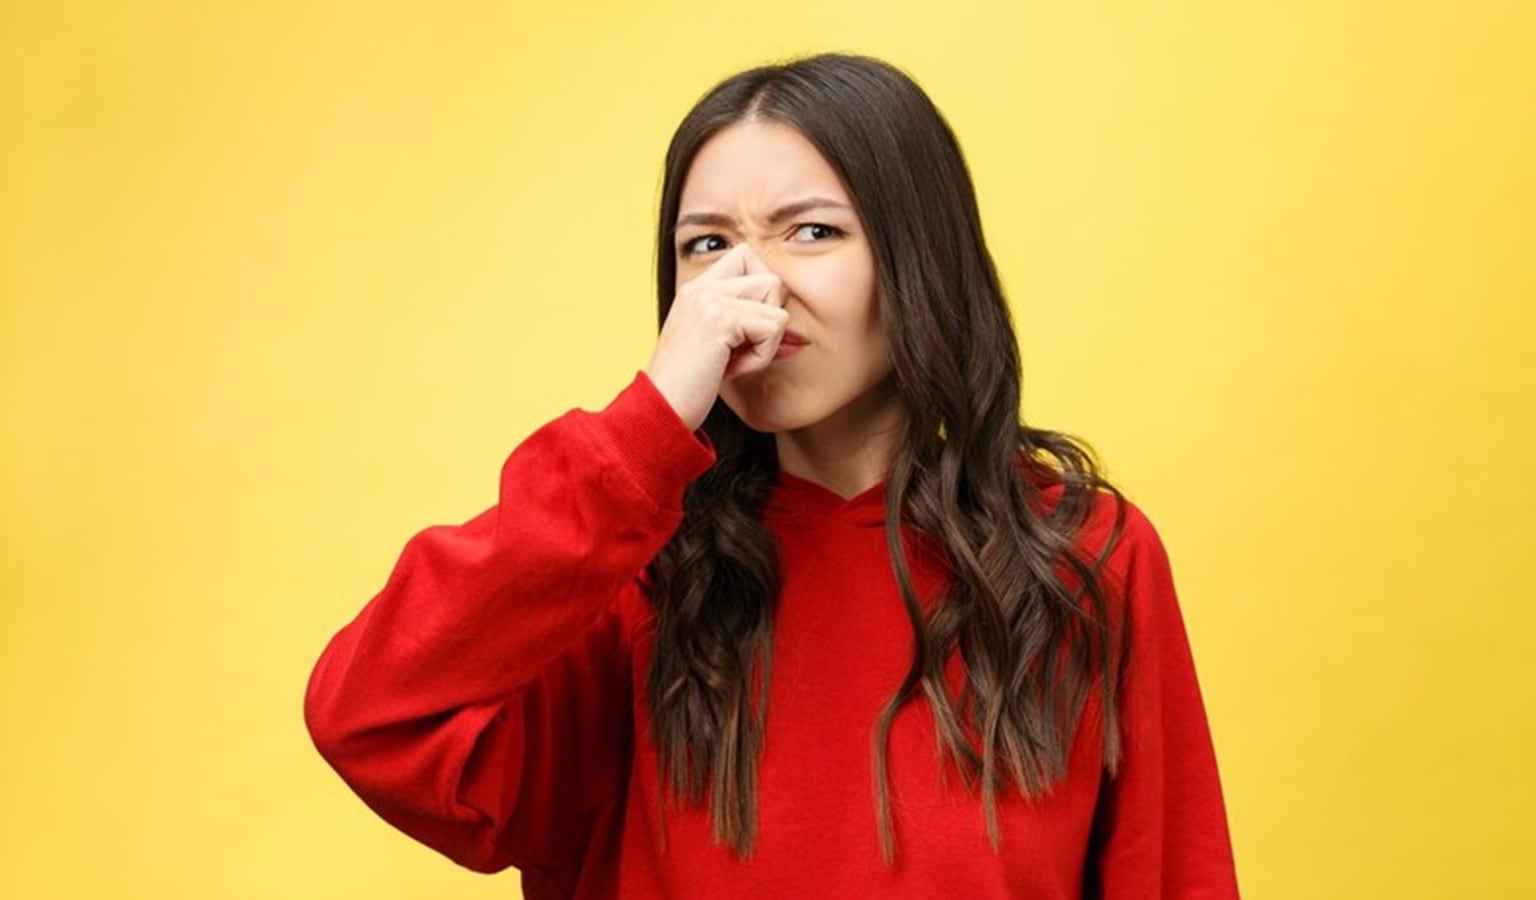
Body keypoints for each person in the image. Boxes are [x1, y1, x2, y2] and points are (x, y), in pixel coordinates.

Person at [303, 52, 1240, 899]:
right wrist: (644, 428)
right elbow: (368, 716)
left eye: (813, 232)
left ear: (918, 258)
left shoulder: (1085, 555)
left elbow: (1172, 876)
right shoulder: (633, 577)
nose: (754, 287)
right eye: (707, 246)